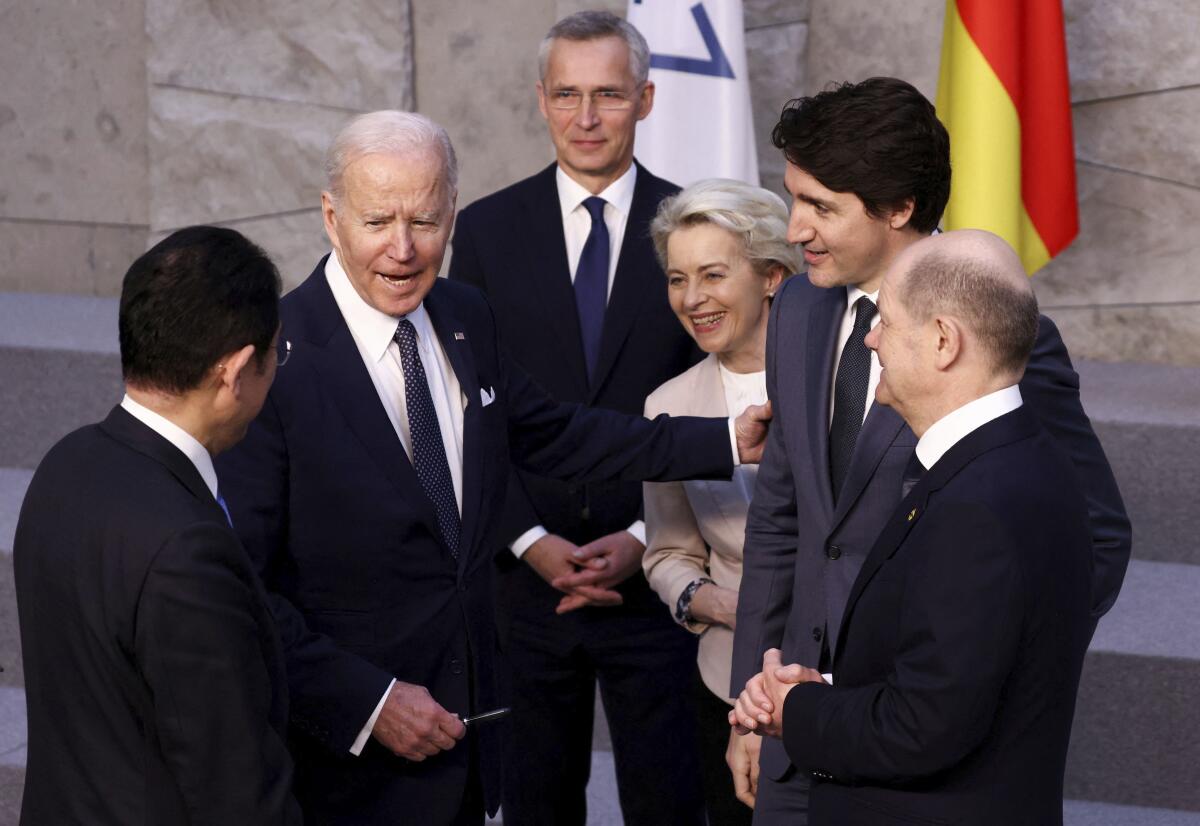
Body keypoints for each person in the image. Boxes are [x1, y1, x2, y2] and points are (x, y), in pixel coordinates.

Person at [214, 109, 769, 826]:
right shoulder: (275, 363)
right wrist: (370, 703)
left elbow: (556, 433)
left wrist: (724, 439)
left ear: (453, 211)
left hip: (471, 738)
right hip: (345, 765)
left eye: (427, 220)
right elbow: (247, 592)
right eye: (378, 220)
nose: (405, 249)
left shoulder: (462, 313)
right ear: (331, 217)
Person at [728, 77, 1132, 823]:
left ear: (900, 209)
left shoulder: (1005, 331)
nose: (794, 228)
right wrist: (749, 707)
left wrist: (994, 684)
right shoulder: (800, 310)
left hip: (925, 761)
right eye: (793, 198)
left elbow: (1093, 533)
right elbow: (784, 518)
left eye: (821, 206)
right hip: (792, 724)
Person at [448, 11, 708, 824]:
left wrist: (643, 536)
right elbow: (468, 402)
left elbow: (715, 388)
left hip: (660, 575)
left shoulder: (697, 229)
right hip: (527, 582)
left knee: (671, 803)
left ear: (647, 98)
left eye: (608, 95)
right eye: (567, 95)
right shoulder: (487, 230)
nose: (587, 118)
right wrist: (528, 541)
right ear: (541, 99)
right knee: (534, 804)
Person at [14, 226, 300, 825]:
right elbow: (234, 793)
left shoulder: (67, 461)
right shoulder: (187, 553)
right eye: (277, 353)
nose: (277, 371)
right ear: (236, 370)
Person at [640, 179, 803, 825]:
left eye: (712, 274)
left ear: (770, 276)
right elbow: (668, 552)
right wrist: (722, 605)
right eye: (678, 279)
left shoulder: (843, 382)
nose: (693, 299)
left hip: (835, 681)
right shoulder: (667, 408)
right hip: (726, 681)